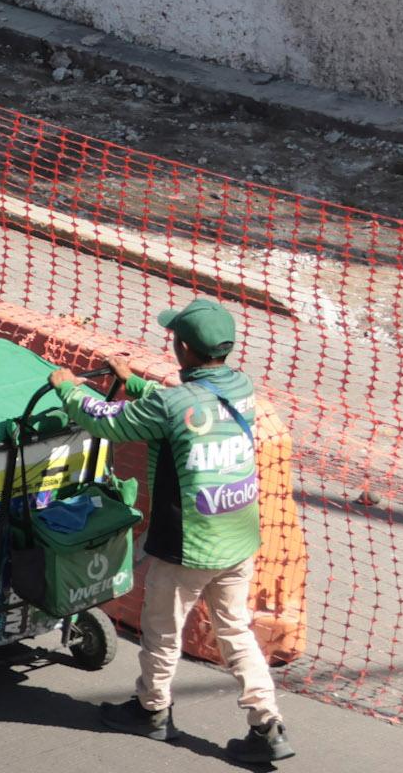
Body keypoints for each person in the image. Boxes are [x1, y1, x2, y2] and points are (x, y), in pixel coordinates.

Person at [50, 300, 291, 763]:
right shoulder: (241, 387)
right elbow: (186, 410)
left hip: (189, 544)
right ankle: (268, 725)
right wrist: (132, 382)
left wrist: (67, 389)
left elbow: (107, 421)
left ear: (183, 347)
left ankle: (152, 711)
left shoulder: (172, 402)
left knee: (162, 629)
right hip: (238, 537)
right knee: (235, 631)